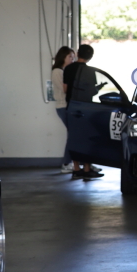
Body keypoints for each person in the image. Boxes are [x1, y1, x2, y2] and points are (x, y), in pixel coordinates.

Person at [63, 43, 105, 180]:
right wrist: (99, 88)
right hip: (86, 108)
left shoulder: (68, 68)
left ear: (77, 53)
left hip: (71, 107)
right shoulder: (90, 71)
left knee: (74, 138)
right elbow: (91, 91)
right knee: (87, 138)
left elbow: (65, 89)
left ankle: (76, 169)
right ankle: (87, 169)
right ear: (90, 57)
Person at [51, 46, 75, 175]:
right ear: (63, 57)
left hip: (66, 106)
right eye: (70, 57)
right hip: (63, 106)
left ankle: (78, 163)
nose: (72, 59)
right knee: (73, 135)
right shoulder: (58, 71)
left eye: (73, 57)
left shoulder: (63, 71)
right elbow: (64, 89)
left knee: (74, 135)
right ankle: (66, 163)